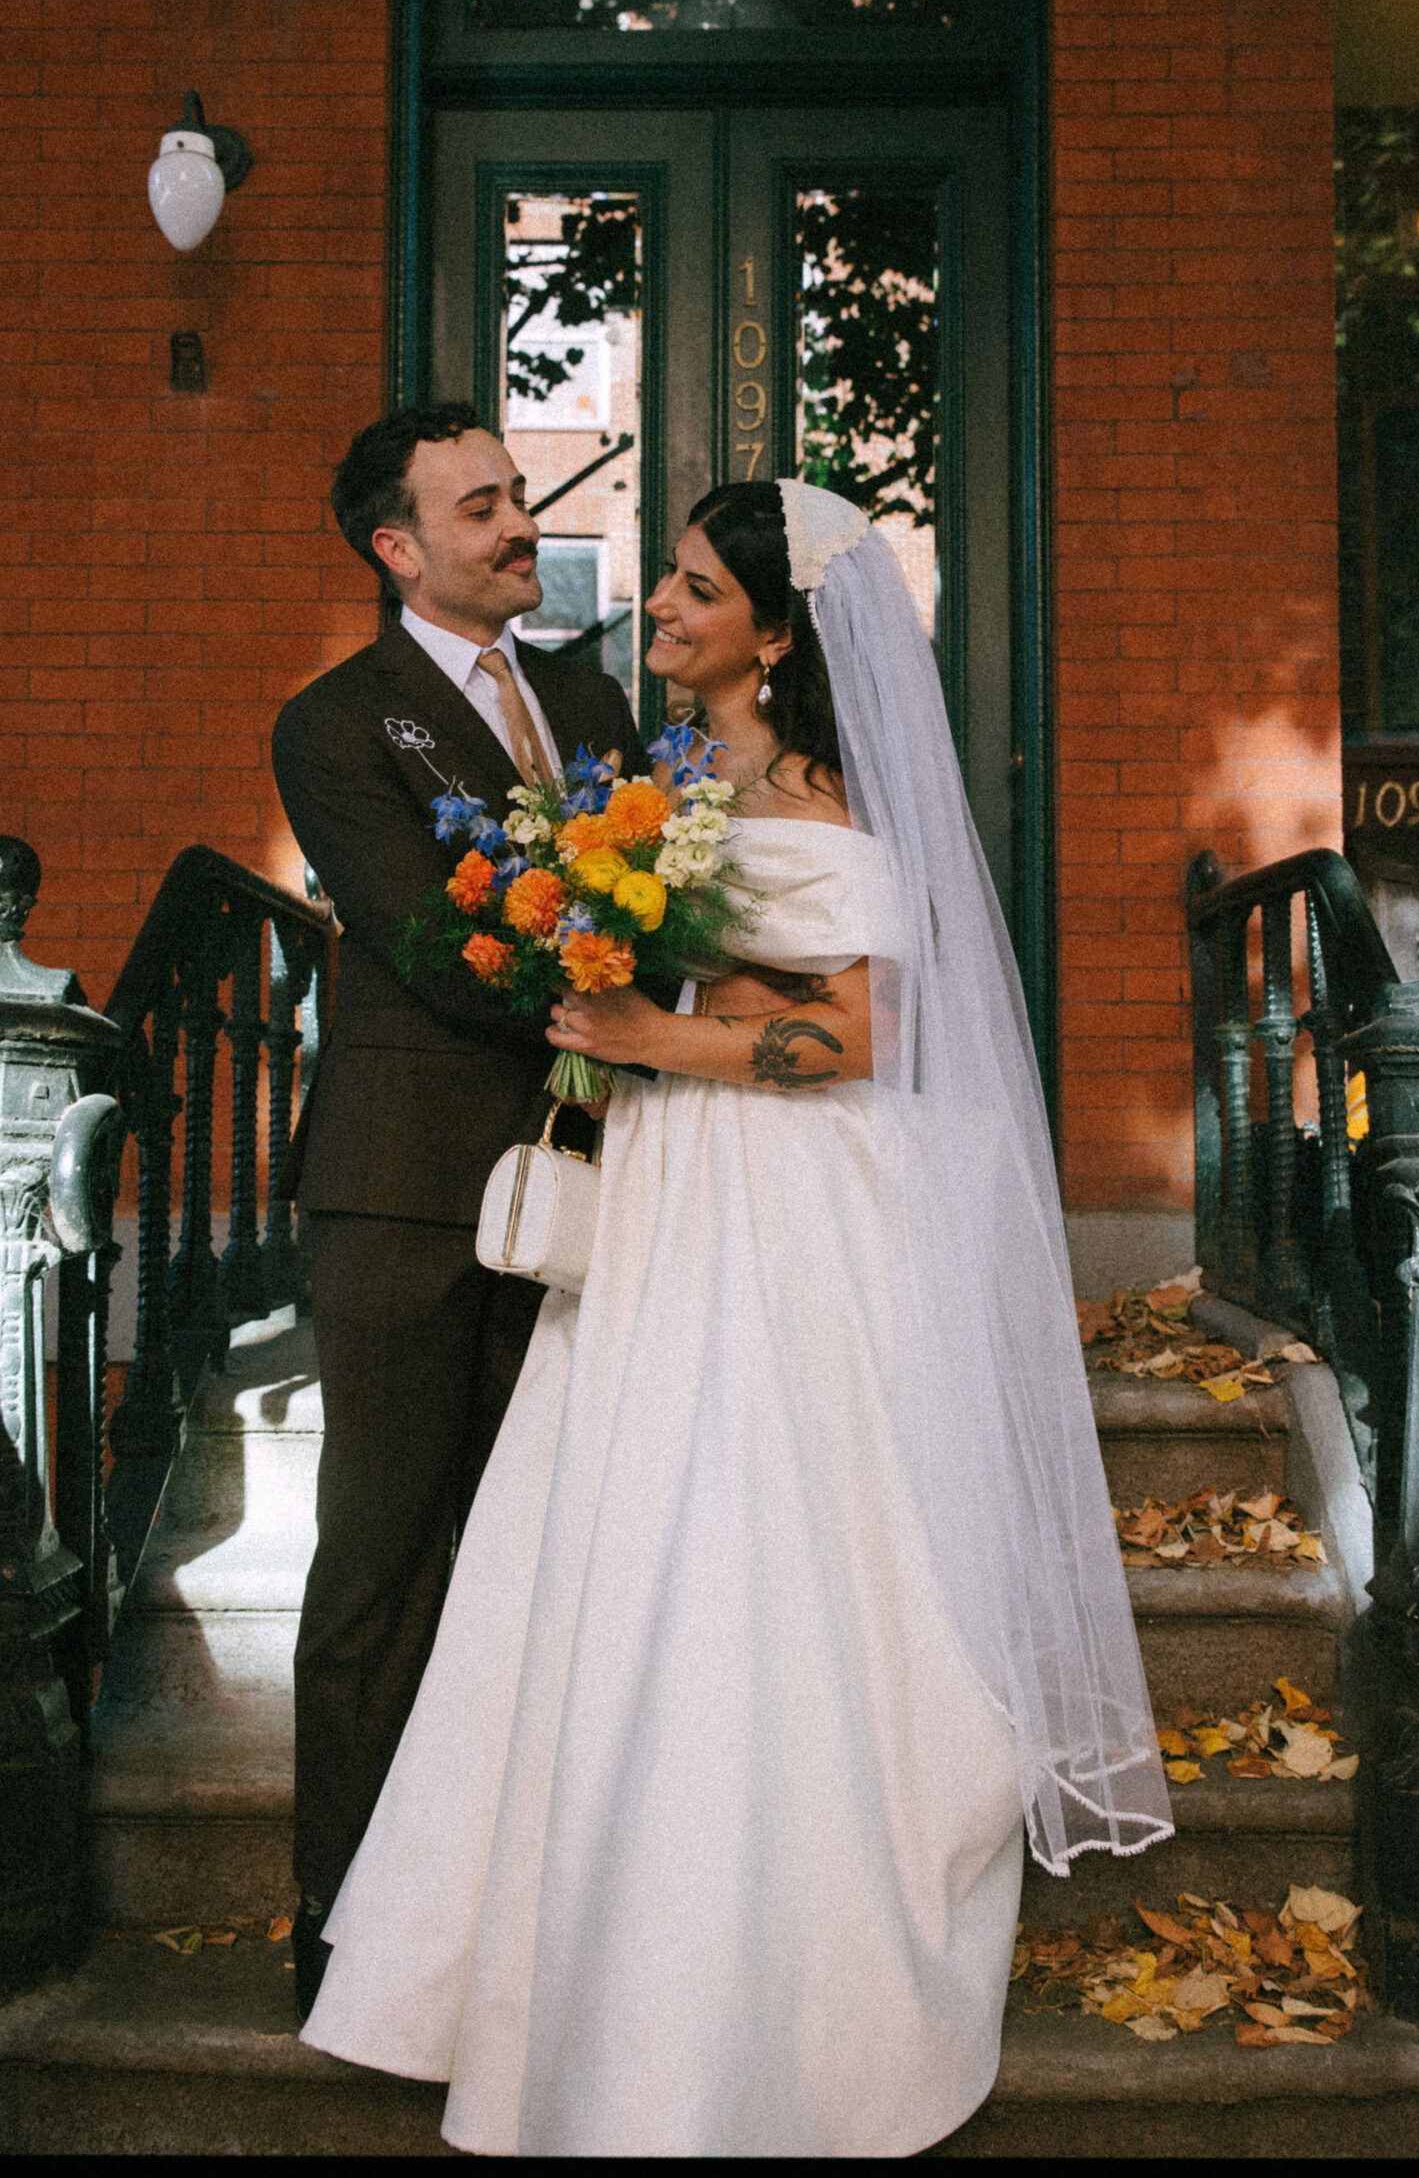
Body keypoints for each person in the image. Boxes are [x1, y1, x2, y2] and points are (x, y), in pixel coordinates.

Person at [300, 478, 1173, 2153]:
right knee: (609, 1541)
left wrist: (650, 1036)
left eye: (696, 591)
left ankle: (760, 1972)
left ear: (775, 634)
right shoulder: (673, 779)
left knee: (767, 1539)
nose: (662, 610)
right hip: (673, 1196)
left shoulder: (828, 808)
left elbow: (855, 1039)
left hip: (785, 1206)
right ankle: (550, 1952)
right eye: (671, 585)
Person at [270, 402, 642, 2022]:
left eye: (516, 494)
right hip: (406, 1196)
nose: (518, 522)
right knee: (383, 1560)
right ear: (397, 548)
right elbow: (422, 937)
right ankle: (342, 1919)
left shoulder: (592, 696)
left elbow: (655, 884)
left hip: (597, 1184)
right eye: (480, 505)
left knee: (541, 1567)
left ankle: (497, 1931)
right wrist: (614, 998)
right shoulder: (336, 723)